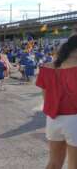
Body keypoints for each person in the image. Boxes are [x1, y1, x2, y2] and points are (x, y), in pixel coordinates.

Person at [36, 34, 77, 169]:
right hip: (74, 120)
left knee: (54, 163)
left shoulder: (47, 67)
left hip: (54, 120)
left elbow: (46, 98)